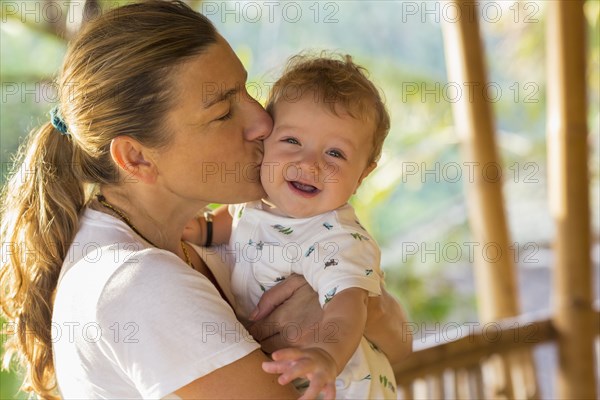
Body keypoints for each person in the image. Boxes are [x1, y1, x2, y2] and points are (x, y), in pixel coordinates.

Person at [0, 1, 411, 399]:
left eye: (246, 91)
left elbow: (399, 347)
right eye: (222, 112)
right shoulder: (137, 283)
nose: (263, 121)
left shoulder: (199, 238)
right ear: (137, 157)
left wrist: (351, 308)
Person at [183, 54, 397, 399]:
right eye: (292, 142)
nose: (309, 163)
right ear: (266, 141)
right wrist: (203, 229)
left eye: (336, 154)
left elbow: (348, 305)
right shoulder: (254, 201)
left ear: (364, 174)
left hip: (340, 386)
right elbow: (234, 220)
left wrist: (326, 355)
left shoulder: (338, 238)